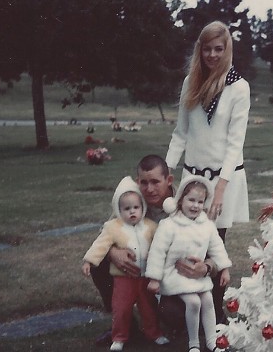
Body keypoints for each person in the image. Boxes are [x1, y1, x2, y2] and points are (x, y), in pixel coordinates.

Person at [165, 20, 250, 324]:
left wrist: (221, 190)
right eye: (207, 48)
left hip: (223, 180)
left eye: (219, 48)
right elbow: (181, 133)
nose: (213, 55)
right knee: (187, 241)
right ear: (199, 49)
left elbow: (234, 143)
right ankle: (185, 306)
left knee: (215, 245)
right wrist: (167, 171)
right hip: (192, 179)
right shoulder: (191, 81)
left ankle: (214, 313)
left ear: (227, 50)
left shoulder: (239, 87)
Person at [89, 155, 215, 344]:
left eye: (156, 182)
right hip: (142, 269)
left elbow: (215, 248)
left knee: (173, 313)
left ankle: (179, 324)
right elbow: (108, 231)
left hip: (175, 275)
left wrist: (207, 267)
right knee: (98, 265)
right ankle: (125, 325)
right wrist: (112, 252)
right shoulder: (133, 199)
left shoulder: (188, 200)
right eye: (144, 182)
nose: (149, 189)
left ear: (169, 180)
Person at [81, 176, 170, 351]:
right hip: (124, 279)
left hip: (145, 277)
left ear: (142, 207)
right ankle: (119, 336)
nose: (132, 212)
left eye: (136, 207)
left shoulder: (150, 226)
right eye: (126, 208)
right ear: (118, 209)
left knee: (148, 308)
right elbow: (100, 244)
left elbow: (162, 242)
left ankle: (154, 333)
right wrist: (89, 260)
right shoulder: (113, 227)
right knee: (121, 309)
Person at [146, 176, 232, 352]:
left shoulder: (206, 224)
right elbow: (157, 251)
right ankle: (193, 343)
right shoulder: (169, 224)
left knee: (207, 299)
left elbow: (217, 247)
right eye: (191, 200)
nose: (195, 205)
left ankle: (211, 341)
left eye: (200, 202)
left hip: (196, 276)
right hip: (174, 275)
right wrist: (154, 278)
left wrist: (224, 268)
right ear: (180, 200)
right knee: (193, 302)